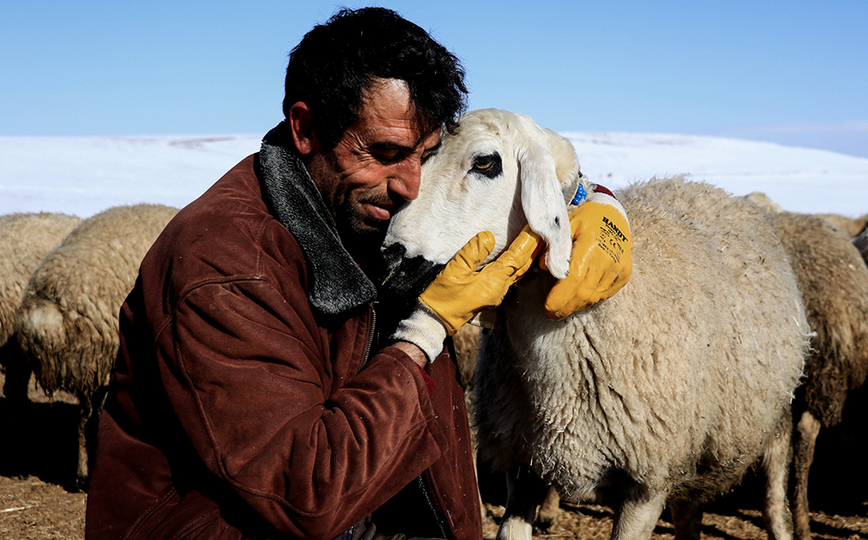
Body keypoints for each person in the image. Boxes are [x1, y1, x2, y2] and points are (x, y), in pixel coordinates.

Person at [84, 7, 632, 540]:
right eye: (387, 152)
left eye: (426, 154)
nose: (410, 185)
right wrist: (426, 331)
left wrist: (591, 201)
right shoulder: (224, 269)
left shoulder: (367, 213)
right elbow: (307, 493)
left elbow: (504, 171)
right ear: (305, 129)